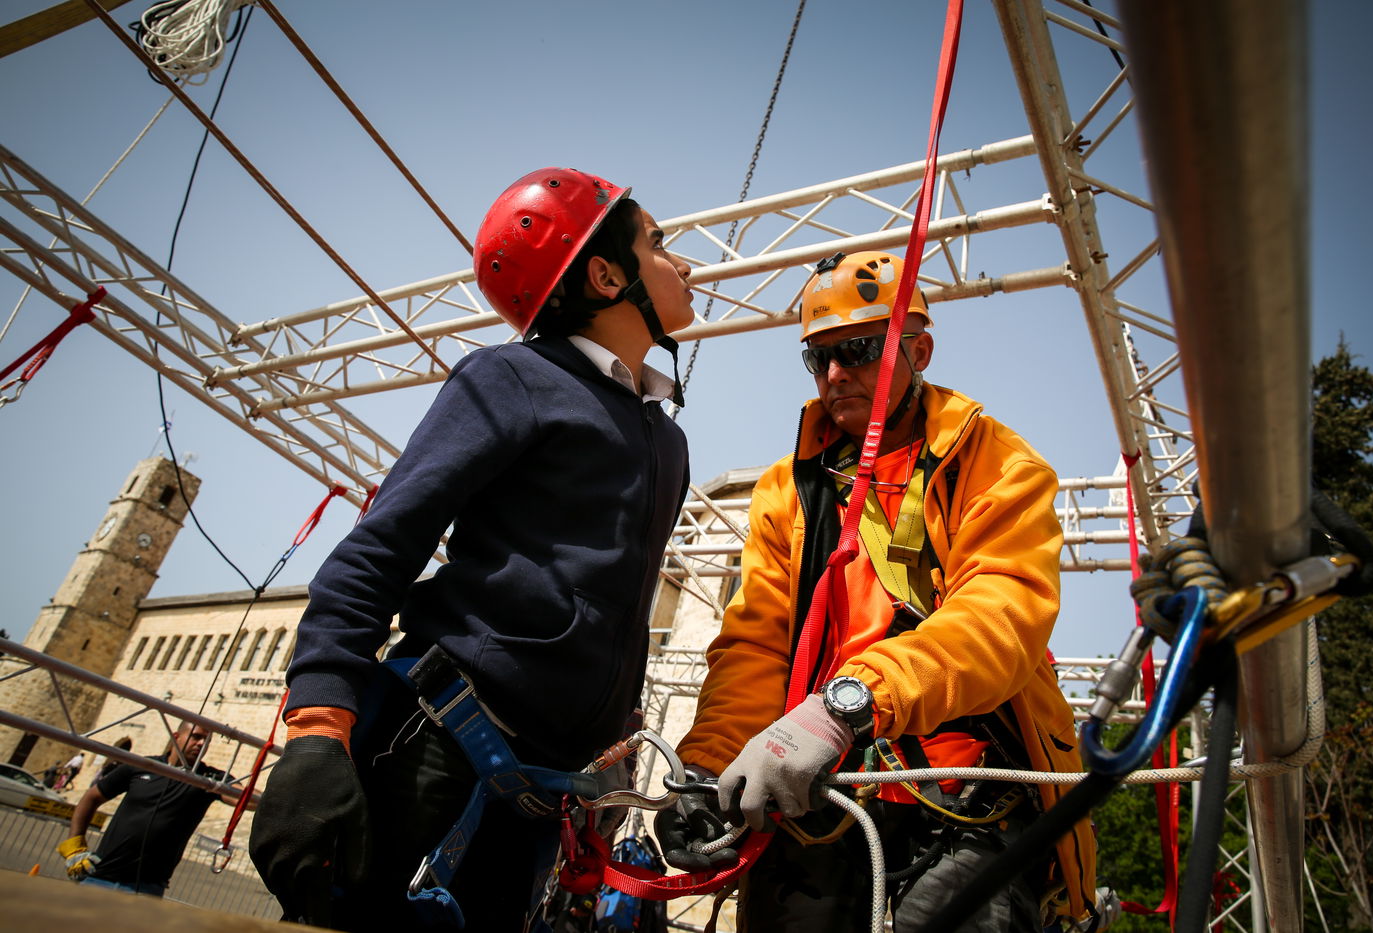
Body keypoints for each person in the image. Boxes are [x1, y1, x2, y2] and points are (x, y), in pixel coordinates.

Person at [248, 167, 694, 931]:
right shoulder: (514, 377)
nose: (683, 263)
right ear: (605, 274)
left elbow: (619, 609)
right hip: (437, 746)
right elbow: (383, 546)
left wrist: (615, 737)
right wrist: (318, 726)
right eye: (658, 243)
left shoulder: (665, 438)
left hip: (545, 789)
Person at [658, 251, 1097, 930]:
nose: (835, 373)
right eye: (818, 357)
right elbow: (756, 645)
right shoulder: (789, 490)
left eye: (859, 350)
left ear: (919, 351)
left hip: (962, 783)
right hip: (818, 785)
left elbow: (1001, 616)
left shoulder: (995, 462)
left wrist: (851, 704)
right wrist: (706, 770)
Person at [57, 722, 233, 897]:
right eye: (196, 737)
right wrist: (75, 845)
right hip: (99, 876)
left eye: (206, 740)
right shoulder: (142, 765)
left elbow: (243, 799)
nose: (201, 744)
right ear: (176, 737)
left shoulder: (209, 779)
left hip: (147, 888)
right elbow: (92, 797)